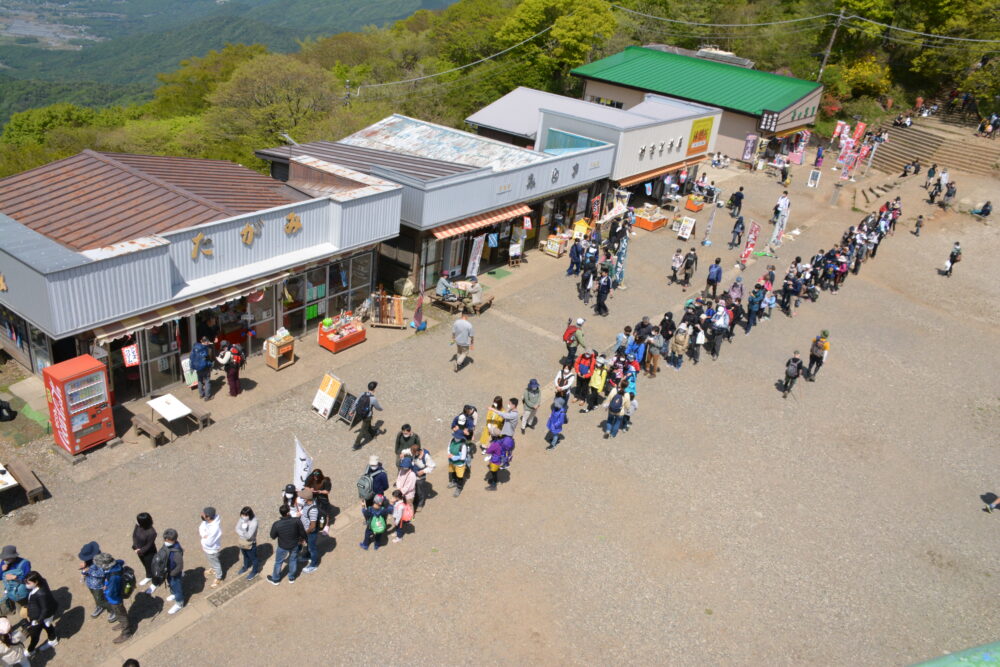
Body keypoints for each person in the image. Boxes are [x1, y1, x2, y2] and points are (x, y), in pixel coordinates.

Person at [94, 553, 134, 642]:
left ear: (105, 565)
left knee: (121, 613)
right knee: (120, 613)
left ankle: (126, 632)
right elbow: (121, 561)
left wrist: (105, 589)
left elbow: (112, 593)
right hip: (117, 596)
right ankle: (123, 623)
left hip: (115, 600)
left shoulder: (113, 577)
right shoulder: (116, 564)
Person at [267, 505, 305, 585]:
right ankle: (291, 577)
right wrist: (304, 540)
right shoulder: (296, 521)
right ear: (288, 513)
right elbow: (302, 532)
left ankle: (276, 579)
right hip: (294, 545)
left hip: (282, 546)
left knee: (278, 562)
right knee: (293, 560)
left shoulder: (277, 524)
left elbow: (272, 536)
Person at [23, 572, 57, 655]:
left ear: (36, 582)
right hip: (41, 615)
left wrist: (38, 620)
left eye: (28, 583)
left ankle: (30, 650)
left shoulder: (41, 594)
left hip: (38, 617)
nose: (26, 584)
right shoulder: (42, 583)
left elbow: (44, 609)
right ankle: (53, 639)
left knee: (35, 634)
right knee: (47, 625)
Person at [78, 541, 106, 619]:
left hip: (98, 585)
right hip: (90, 583)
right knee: (96, 597)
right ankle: (99, 606)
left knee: (100, 598)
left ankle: (112, 610)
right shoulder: (88, 561)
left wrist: (89, 570)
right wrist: (84, 569)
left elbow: (102, 574)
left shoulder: (100, 561)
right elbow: (86, 570)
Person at [131, 513, 157, 594]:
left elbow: (149, 545)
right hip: (139, 550)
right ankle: (148, 576)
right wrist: (135, 546)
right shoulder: (138, 525)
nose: (136, 522)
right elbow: (134, 535)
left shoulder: (152, 532)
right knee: (145, 564)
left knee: (153, 567)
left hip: (149, 553)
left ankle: (155, 583)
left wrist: (139, 551)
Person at [0, 546, 30, 616]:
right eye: (4, 558)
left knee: (26, 609)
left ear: (14, 556)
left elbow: (28, 580)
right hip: (11, 592)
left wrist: (15, 577)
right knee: (19, 610)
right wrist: (2, 570)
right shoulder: (3, 563)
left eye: (7, 558)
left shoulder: (25, 564)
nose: (5, 560)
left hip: (23, 594)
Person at [297, 488, 321, 574]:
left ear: (306, 498)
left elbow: (313, 526)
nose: (301, 497)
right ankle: (307, 556)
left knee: (312, 548)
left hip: (310, 532)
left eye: (303, 496)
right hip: (306, 531)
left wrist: (305, 533)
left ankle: (313, 565)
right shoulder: (306, 503)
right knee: (308, 546)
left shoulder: (313, 510)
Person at [198, 507, 223, 588]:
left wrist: (203, 539)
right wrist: (204, 536)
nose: (202, 515)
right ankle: (213, 569)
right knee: (211, 561)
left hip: (212, 550)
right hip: (207, 549)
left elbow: (209, 542)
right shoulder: (207, 521)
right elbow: (201, 528)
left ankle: (218, 577)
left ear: (208, 517)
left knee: (216, 564)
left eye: (203, 514)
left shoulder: (215, 528)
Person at [354, 380, 384, 445]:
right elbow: (378, 408)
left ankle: (372, 433)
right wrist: (382, 409)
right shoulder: (373, 399)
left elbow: (356, 402)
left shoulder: (362, 394)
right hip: (367, 416)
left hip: (361, 414)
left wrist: (352, 411)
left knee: (368, 425)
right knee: (363, 430)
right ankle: (356, 444)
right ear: (374, 389)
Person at [235, 507, 259, 580]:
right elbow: (236, 528)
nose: (243, 517)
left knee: (253, 558)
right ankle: (245, 567)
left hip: (250, 543)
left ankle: (254, 571)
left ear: (249, 515)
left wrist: (244, 530)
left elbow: (249, 536)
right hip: (242, 542)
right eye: (242, 515)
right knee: (245, 556)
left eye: (245, 515)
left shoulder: (254, 522)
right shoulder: (242, 519)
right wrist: (243, 533)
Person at [408, 445, 435, 511]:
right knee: (414, 489)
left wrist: (423, 471)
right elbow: (407, 451)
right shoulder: (414, 452)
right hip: (413, 475)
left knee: (420, 491)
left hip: (420, 478)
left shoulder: (426, 456)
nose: (412, 454)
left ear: (417, 452)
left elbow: (432, 466)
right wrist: (403, 453)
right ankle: (415, 501)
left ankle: (420, 504)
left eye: (414, 453)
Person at [190, 336, 214, 401]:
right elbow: (211, 358)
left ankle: (201, 394)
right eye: (208, 341)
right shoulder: (207, 349)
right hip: (205, 368)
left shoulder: (195, 348)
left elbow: (191, 357)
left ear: (201, 341)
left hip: (198, 368)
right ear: (206, 342)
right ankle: (207, 397)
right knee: (207, 382)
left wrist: (192, 367)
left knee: (200, 381)